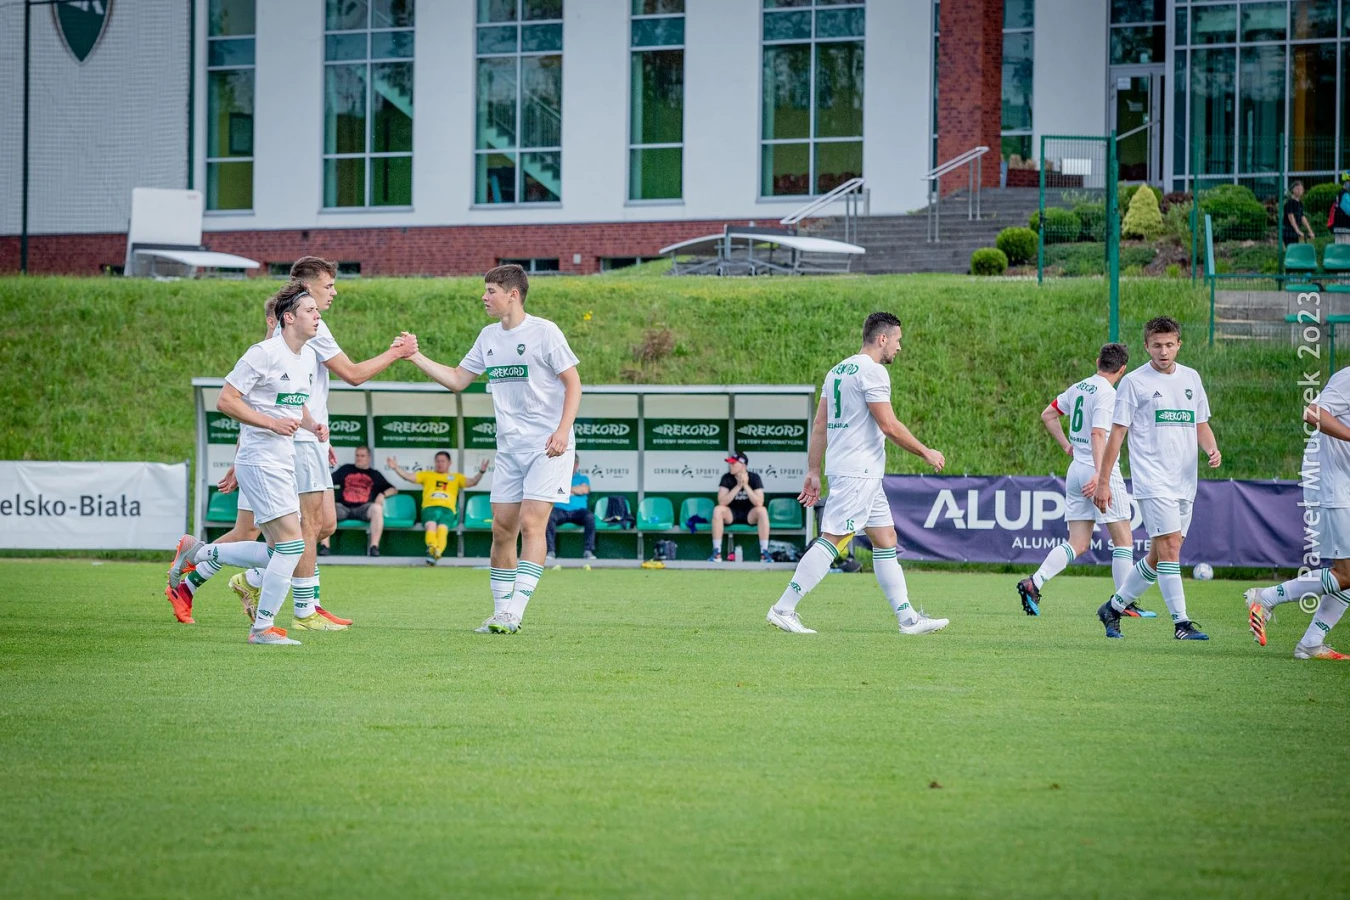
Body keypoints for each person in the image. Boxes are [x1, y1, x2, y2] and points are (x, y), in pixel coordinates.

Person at [170, 256, 418, 626]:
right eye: (328, 285)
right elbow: (349, 375)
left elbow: (287, 398)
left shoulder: (302, 331)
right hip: (281, 446)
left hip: (296, 441)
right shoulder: (295, 332)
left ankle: (211, 578)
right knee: (300, 531)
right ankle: (303, 609)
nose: (333, 293)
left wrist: (316, 428)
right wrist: (398, 352)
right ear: (304, 289)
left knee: (307, 528)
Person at [407, 264, 581, 634]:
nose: (484, 297)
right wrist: (415, 356)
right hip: (509, 449)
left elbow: (573, 383)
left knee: (532, 523)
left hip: (548, 447)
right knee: (502, 530)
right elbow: (458, 379)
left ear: (512, 295)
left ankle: (515, 612)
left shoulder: (544, 332)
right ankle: (500, 613)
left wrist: (563, 431)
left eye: (490, 291)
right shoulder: (488, 336)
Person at [766, 311, 949, 636]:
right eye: (897, 340)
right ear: (883, 338)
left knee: (885, 538)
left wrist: (813, 469)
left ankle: (907, 618)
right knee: (834, 539)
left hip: (857, 472)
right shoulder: (874, 372)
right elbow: (888, 425)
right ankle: (783, 608)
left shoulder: (837, 370)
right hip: (858, 472)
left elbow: (820, 424)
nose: (899, 347)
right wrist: (926, 451)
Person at [166, 290, 327, 645]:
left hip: (282, 460)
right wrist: (271, 424)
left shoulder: (307, 357)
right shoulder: (263, 353)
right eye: (310, 310)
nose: (318, 316)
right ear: (288, 317)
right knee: (292, 546)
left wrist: (312, 425)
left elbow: (294, 404)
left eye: (317, 310)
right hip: (259, 460)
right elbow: (226, 400)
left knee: (276, 550)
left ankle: (198, 552)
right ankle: (262, 629)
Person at [1093, 316, 1221, 641]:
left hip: (1185, 482)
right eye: (1157, 345)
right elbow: (1116, 435)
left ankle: (1113, 607)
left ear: (1179, 344)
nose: (1163, 351)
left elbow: (1200, 423)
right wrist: (1104, 481)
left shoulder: (1191, 378)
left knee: (1158, 554)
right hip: (1153, 480)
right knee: (1170, 549)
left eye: (1169, 345)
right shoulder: (1134, 383)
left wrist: (1211, 448)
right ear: (1146, 346)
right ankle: (1181, 623)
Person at [1016, 343, 1154, 618]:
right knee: (1123, 540)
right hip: (1097, 470)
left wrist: (1066, 445)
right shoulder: (1108, 394)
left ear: (1097, 361)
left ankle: (1035, 582)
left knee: (1078, 543)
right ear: (1123, 369)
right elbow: (1098, 434)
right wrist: (1102, 476)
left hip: (1077, 468)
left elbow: (1048, 415)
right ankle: (1123, 603)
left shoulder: (1079, 387)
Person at [1244, 368, 1350, 660]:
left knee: (1348, 573)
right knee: (1346, 573)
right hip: (1333, 484)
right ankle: (1265, 598)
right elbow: (1313, 413)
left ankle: (1311, 642)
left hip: (1344, 483)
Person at [388, 452, 487, 564]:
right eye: (438, 461)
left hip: (448, 509)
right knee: (431, 525)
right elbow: (408, 477)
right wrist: (396, 468)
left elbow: (472, 482)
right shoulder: (427, 475)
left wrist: (481, 472)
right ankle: (433, 550)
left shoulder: (456, 477)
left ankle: (435, 552)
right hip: (429, 508)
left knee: (442, 528)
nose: (440, 464)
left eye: (443, 461)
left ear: (449, 463)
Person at [332, 447, 397, 556]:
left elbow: (393, 489)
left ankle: (374, 547)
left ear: (369, 458)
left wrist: (382, 494)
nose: (359, 458)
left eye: (362, 456)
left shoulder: (374, 474)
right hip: (343, 507)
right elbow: (328, 482)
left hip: (364, 508)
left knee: (377, 508)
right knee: (327, 508)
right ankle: (325, 546)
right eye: (357, 455)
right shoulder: (345, 469)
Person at [709, 451, 771, 563]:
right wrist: (738, 486)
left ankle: (764, 553)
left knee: (762, 511)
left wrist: (745, 485)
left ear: (743, 465)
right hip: (731, 513)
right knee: (718, 510)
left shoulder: (754, 477)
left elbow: (759, 502)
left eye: (733, 463)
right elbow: (722, 502)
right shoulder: (726, 477)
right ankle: (717, 552)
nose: (730, 466)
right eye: (730, 463)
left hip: (749, 514)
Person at [547, 455, 596, 562]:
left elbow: (584, 490)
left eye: (572, 462)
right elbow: (554, 490)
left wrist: (566, 490)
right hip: (560, 510)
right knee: (549, 517)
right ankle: (550, 551)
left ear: (576, 465)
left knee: (590, 517)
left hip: (578, 511)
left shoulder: (583, 478)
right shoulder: (558, 477)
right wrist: (576, 490)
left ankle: (588, 551)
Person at [1283, 181, 1316, 246]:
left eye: (1301, 189)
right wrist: (1297, 231)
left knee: (1296, 249)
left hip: (1294, 232)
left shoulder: (1300, 204)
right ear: (1293, 189)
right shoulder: (1289, 203)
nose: (1299, 191)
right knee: (1292, 250)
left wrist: (1310, 231)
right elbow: (1291, 218)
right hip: (1288, 231)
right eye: (1297, 188)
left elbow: (1302, 217)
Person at [1332, 172, 1350, 245]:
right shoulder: (1344, 195)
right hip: (1344, 229)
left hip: (1339, 228)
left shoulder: (1340, 194)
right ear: (1346, 182)